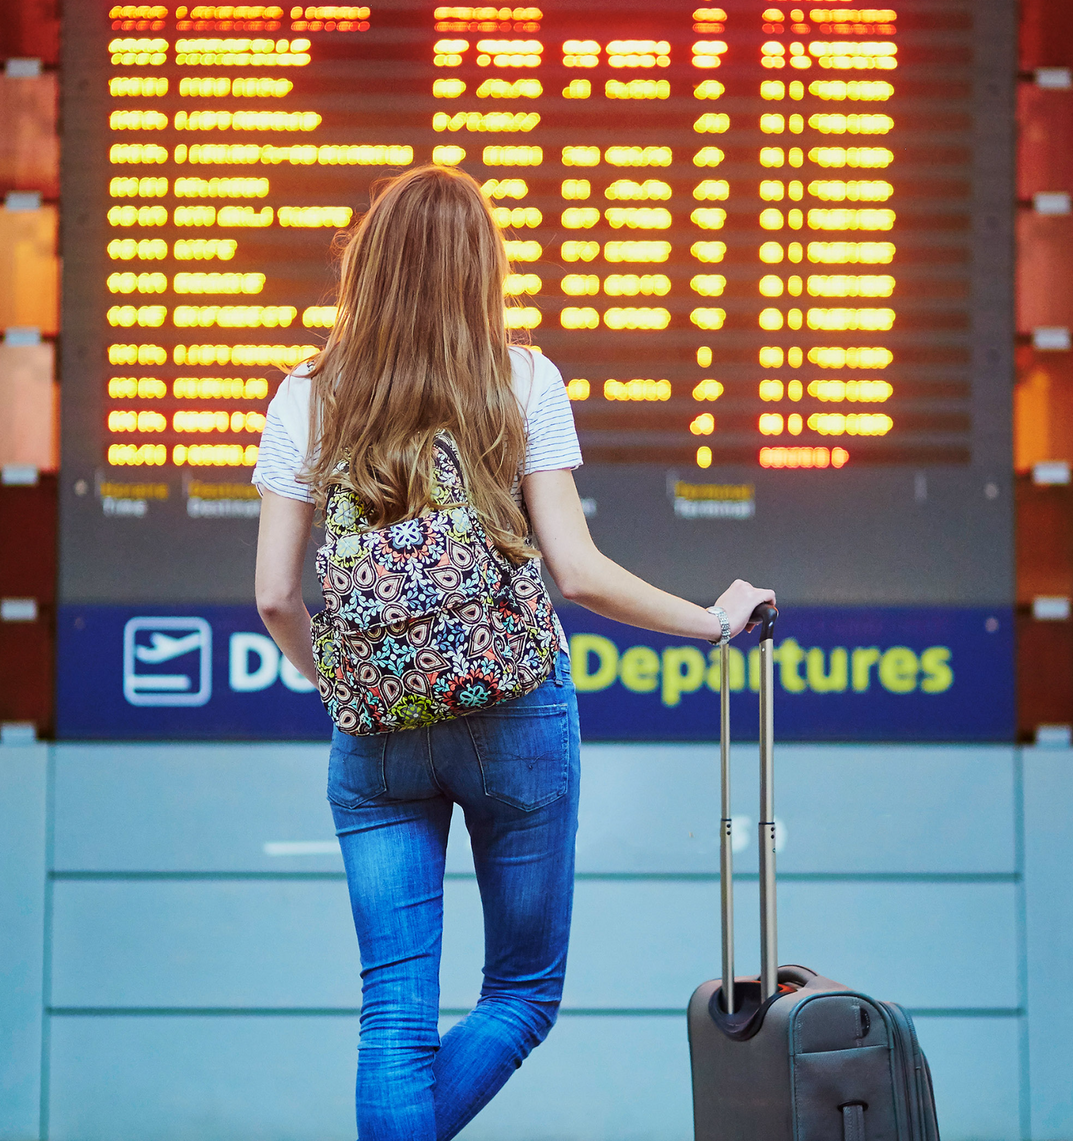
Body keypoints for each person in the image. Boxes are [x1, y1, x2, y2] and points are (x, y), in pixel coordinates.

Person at [252, 165, 775, 1141]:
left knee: (394, 1014)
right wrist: (713, 620)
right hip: (515, 713)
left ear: (365, 266)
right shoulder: (522, 378)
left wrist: (349, 683)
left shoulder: (307, 397)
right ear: (479, 268)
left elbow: (276, 595)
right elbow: (575, 572)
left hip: (373, 739)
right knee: (523, 991)